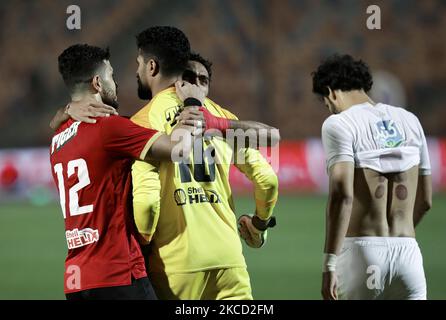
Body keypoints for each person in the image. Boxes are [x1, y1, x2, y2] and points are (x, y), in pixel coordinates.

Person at [130, 28, 279, 300]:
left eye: (139, 64)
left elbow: (146, 205)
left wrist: (140, 244)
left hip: (176, 263)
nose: (137, 70)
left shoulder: (142, 121)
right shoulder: (221, 116)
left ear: (152, 66)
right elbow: (267, 179)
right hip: (229, 259)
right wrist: (258, 224)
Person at [50, 43, 204, 300]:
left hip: (77, 281)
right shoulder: (110, 128)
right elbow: (179, 149)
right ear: (97, 83)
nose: (116, 83)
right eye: (111, 76)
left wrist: (64, 110)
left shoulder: (57, 138)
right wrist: (192, 103)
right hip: (118, 274)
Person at [312, 54, 432, 300]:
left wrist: (329, 265)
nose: (330, 109)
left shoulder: (339, 124)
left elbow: (342, 196)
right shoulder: (411, 121)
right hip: (409, 255)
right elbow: (426, 200)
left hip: (363, 255)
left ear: (331, 92)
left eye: (327, 103)